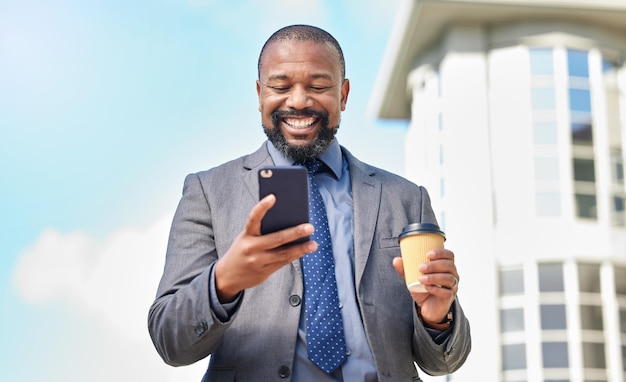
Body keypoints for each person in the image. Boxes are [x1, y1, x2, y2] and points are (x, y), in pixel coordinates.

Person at [148, 24, 471, 382]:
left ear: (344, 94)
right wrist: (224, 280)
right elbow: (170, 342)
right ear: (259, 94)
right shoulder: (208, 193)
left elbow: (442, 363)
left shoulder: (406, 198)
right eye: (280, 86)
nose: (299, 101)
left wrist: (437, 316)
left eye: (318, 86)